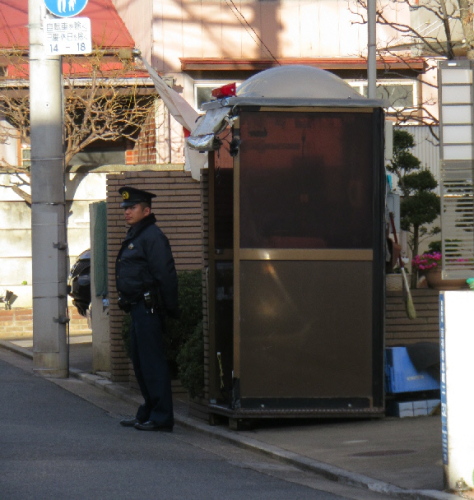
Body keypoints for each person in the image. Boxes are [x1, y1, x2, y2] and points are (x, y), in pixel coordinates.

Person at [115, 186, 179, 432]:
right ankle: (148, 412)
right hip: (137, 308)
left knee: (152, 363)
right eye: (125, 208)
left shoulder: (152, 236)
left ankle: (162, 417)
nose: (127, 212)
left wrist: (171, 308)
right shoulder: (137, 234)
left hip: (149, 308)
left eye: (132, 208)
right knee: (141, 363)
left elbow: (166, 275)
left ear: (147, 210)